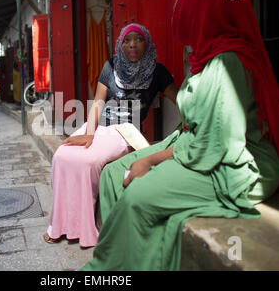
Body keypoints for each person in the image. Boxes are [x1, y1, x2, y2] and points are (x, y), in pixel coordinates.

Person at [81, 0, 279, 271]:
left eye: (185, 8)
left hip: (232, 162)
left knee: (138, 194)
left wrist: (151, 160)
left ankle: (114, 268)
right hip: (193, 143)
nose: (179, 16)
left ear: (204, 13)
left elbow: (214, 144)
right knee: (113, 174)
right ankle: (125, 257)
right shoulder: (204, 57)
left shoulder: (226, 62)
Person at [43, 23, 178, 247]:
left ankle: (86, 229)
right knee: (61, 156)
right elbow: (98, 101)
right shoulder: (111, 66)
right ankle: (60, 225)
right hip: (99, 125)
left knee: (87, 161)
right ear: (120, 44)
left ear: (147, 42)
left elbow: (180, 98)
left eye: (138, 39)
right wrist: (89, 133)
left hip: (125, 130)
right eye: (127, 40)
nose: (132, 44)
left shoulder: (158, 71)